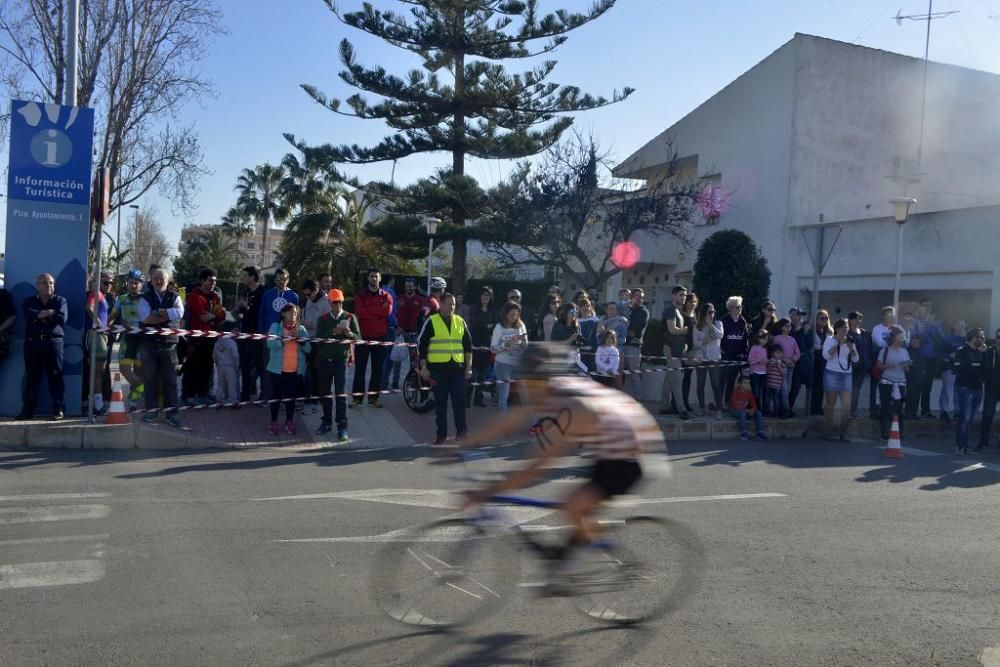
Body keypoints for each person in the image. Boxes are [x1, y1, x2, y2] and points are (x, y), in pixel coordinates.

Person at [454, 343, 657, 578]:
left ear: (547, 380)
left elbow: (536, 468)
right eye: (526, 383)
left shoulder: (572, 407)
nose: (528, 390)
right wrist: (462, 443)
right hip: (608, 444)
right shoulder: (550, 390)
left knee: (573, 505)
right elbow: (508, 422)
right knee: (576, 507)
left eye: (533, 384)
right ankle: (575, 552)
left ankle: (582, 564)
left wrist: (487, 491)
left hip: (630, 454)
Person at [417, 292, 473, 444]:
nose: (452, 307)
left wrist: (469, 367)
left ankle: (462, 434)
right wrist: (424, 367)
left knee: (459, 403)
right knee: (440, 405)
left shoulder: (460, 322)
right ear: (441, 304)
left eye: (454, 304)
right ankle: (441, 435)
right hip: (438, 371)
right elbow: (421, 346)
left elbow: (468, 346)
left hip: (458, 370)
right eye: (449, 304)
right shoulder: (431, 321)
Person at [17, 273, 68, 420]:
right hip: (33, 344)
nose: (49, 286)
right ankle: (28, 411)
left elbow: (61, 318)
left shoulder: (60, 301)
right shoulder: (29, 301)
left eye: (51, 283)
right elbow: (29, 315)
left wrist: (40, 316)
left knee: (56, 376)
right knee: (32, 377)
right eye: (45, 283)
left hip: (54, 343)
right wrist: (49, 313)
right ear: (37, 285)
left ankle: (58, 409)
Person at [137, 268, 184, 427]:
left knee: (170, 381)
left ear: (167, 279)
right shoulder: (145, 297)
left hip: (169, 344)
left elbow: (180, 313)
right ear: (151, 280)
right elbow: (145, 319)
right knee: (149, 380)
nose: (159, 281)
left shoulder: (175, 297)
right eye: (155, 278)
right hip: (148, 344)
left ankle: (172, 414)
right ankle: (151, 412)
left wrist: (157, 313)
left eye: (161, 278)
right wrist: (166, 316)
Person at [316, 288, 361, 440]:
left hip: (340, 361)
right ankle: (326, 422)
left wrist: (349, 334)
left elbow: (359, 338)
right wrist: (333, 332)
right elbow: (318, 339)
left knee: (340, 394)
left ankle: (342, 426)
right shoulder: (322, 319)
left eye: (340, 302)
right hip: (324, 360)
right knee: (325, 393)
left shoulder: (350, 317)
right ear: (329, 302)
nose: (338, 305)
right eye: (335, 302)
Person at [266, 303, 311, 435]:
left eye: (295, 313)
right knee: (276, 397)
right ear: (283, 314)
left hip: (295, 370)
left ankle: (289, 422)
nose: (293, 316)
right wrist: (284, 340)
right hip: (277, 370)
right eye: (290, 313)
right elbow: (270, 344)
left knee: (291, 398)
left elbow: (308, 349)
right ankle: (273, 422)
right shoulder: (275, 327)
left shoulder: (301, 329)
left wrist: (300, 340)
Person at [352, 267, 394, 408]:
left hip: (380, 337)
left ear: (380, 278)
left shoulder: (386, 296)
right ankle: (357, 399)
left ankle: (373, 398)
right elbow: (360, 312)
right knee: (360, 370)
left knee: (378, 370)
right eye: (371, 276)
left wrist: (369, 310)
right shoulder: (361, 296)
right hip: (363, 337)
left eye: (376, 276)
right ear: (368, 278)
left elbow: (387, 311)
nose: (374, 279)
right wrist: (377, 312)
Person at [183, 267, 225, 406]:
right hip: (196, 340)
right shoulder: (194, 296)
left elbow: (222, 315)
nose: (213, 283)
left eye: (214, 281)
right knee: (192, 367)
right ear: (202, 280)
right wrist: (215, 316)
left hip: (211, 338)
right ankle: (188, 395)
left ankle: (203, 394)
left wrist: (213, 316)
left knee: (207, 368)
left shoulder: (215, 296)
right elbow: (203, 317)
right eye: (209, 280)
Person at [110, 270, 146, 404]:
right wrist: (105, 326)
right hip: (127, 339)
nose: (133, 285)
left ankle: (135, 396)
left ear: (141, 285)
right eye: (131, 282)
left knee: (139, 371)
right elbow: (113, 315)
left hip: (142, 339)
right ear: (127, 283)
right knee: (123, 368)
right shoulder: (122, 298)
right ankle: (143, 389)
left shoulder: (145, 299)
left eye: (136, 283)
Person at [822, 318, 860, 442]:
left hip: (846, 374)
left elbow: (855, 360)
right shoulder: (829, 339)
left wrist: (851, 348)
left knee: (846, 405)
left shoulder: (850, 341)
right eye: (843, 327)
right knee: (831, 403)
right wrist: (837, 342)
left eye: (847, 328)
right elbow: (826, 356)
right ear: (837, 328)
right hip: (831, 373)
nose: (846, 329)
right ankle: (829, 431)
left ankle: (844, 432)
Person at [234, 266, 268, 402]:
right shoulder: (245, 292)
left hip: (258, 335)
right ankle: (245, 393)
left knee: (260, 365)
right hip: (244, 334)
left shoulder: (263, 292)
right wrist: (237, 316)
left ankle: (265, 393)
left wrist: (246, 307)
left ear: (253, 277)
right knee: (245, 364)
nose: (243, 278)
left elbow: (259, 313)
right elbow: (240, 313)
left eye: (245, 276)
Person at [953, 328, 986, 455]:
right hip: (965, 388)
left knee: (971, 419)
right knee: (964, 418)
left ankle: (965, 445)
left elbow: (984, 370)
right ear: (974, 338)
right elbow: (958, 370)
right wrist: (975, 368)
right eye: (981, 337)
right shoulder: (962, 351)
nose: (983, 339)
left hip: (978, 389)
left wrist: (983, 355)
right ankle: (960, 447)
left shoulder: (981, 352)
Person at [491, 299, 528, 412]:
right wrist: (506, 345)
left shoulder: (521, 325)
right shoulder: (499, 327)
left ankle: (534, 424)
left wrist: (523, 342)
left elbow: (526, 347)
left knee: (525, 394)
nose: (514, 317)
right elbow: (493, 349)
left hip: (517, 363)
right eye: (511, 314)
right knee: (504, 394)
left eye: (516, 314)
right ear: (505, 314)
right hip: (503, 364)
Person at [659, 285, 690, 419]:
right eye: (680, 295)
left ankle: (665, 406)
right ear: (673, 295)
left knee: (669, 380)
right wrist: (684, 330)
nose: (683, 297)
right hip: (670, 349)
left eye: (684, 295)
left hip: (678, 350)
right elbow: (672, 329)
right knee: (677, 380)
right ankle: (682, 410)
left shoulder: (679, 311)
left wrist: (685, 345)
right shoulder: (669, 310)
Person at [876, 326, 910, 442]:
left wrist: (906, 366)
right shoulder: (885, 350)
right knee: (885, 407)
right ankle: (884, 433)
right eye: (899, 337)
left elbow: (907, 369)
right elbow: (878, 365)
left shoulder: (905, 351)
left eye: (902, 337)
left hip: (900, 382)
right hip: (887, 381)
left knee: (899, 408)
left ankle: (900, 433)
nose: (901, 339)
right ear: (894, 337)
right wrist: (888, 366)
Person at [84, 273, 112, 415]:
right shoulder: (96, 293)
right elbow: (89, 308)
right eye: (106, 283)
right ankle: (98, 405)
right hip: (95, 335)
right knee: (97, 372)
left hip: (99, 334)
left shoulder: (101, 294)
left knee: (98, 371)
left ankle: (95, 403)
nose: (109, 286)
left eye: (111, 283)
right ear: (97, 282)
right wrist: (100, 327)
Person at [911, 299, 943, 419]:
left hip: (932, 357)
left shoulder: (935, 321)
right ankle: (912, 409)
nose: (927, 308)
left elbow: (939, 337)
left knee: (927, 385)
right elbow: (915, 338)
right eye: (925, 306)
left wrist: (933, 325)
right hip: (919, 357)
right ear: (920, 307)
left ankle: (925, 410)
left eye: (929, 306)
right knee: (916, 384)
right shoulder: (915, 321)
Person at [393, 277, 426, 389]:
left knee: (414, 361)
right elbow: (393, 315)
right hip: (400, 334)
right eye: (406, 286)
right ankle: (394, 383)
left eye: (410, 286)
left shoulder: (421, 300)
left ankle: (413, 381)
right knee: (397, 360)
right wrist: (397, 327)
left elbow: (424, 317)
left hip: (414, 335)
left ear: (415, 287)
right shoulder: (398, 299)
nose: (408, 288)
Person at [693, 302, 724, 419]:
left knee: (715, 383)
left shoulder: (718, 323)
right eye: (709, 312)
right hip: (701, 358)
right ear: (703, 313)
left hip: (715, 358)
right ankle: (702, 408)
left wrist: (711, 325)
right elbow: (696, 343)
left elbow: (720, 335)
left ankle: (719, 409)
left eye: (712, 312)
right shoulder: (697, 326)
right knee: (700, 384)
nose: (711, 314)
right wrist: (706, 340)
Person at [468, 285, 497, 407]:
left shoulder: (493, 311)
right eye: (483, 295)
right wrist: (486, 327)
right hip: (475, 344)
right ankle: (466, 398)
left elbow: (495, 326)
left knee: (482, 375)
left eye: (488, 295)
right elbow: (474, 325)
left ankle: (478, 399)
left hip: (487, 345)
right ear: (479, 296)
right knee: (472, 374)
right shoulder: (473, 309)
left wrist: (485, 327)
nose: (485, 297)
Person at [721, 296, 750, 405]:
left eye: (741, 306)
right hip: (726, 355)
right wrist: (722, 350)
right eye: (738, 306)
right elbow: (721, 337)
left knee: (733, 380)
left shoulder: (743, 321)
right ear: (731, 308)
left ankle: (729, 402)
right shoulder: (725, 319)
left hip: (738, 356)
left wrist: (744, 352)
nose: (740, 308)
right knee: (723, 380)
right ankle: (721, 404)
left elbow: (745, 338)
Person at [846, 311, 874, 420]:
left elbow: (868, 348)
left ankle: (853, 410)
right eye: (855, 319)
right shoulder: (847, 333)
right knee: (853, 388)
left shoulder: (864, 333)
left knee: (857, 388)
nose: (858, 321)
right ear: (850, 320)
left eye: (859, 319)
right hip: (852, 365)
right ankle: (850, 411)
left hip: (863, 365)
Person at [623, 289, 649, 400]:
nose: (639, 299)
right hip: (620, 344)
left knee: (634, 374)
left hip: (633, 346)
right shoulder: (626, 309)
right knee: (620, 373)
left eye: (641, 297)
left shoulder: (643, 311)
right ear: (631, 297)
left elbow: (633, 329)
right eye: (637, 296)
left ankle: (638, 399)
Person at [937, 320, 966, 423]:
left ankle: (957, 411)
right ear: (954, 326)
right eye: (959, 325)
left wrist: (964, 337)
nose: (961, 327)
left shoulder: (966, 340)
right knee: (947, 389)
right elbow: (938, 352)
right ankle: (944, 411)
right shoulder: (947, 339)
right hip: (948, 367)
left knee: (959, 390)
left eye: (963, 325)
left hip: (962, 369)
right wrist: (949, 356)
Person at [772, 318, 801, 419]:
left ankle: (783, 410)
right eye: (786, 326)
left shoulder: (792, 339)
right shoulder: (776, 338)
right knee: (781, 389)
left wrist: (792, 360)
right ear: (781, 327)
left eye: (789, 326)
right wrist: (784, 360)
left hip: (790, 367)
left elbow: (797, 353)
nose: (788, 328)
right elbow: (774, 351)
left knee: (785, 389)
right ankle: (784, 410)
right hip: (779, 366)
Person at [977, 328, 1000, 452]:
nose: (999, 340)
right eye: (998, 337)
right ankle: (983, 443)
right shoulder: (989, 352)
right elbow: (983, 367)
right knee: (987, 416)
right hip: (991, 389)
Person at [787, 307, 812, 417]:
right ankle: (781, 408)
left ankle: (788, 408)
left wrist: (806, 332)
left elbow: (809, 345)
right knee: (783, 386)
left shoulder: (805, 329)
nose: (799, 317)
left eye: (801, 314)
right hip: (787, 361)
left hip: (801, 362)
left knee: (796, 386)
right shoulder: (787, 328)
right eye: (797, 314)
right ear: (791, 315)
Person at [551, 302, 586, 373]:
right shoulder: (558, 325)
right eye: (572, 312)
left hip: (574, 358)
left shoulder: (577, 326)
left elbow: (578, 344)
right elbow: (554, 344)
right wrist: (570, 340)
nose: (574, 314)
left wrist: (579, 342)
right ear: (566, 312)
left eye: (576, 311)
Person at [730, 372, 766, 441]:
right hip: (735, 411)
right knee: (742, 414)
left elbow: (754, 405)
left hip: (745, 410)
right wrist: (746, 410)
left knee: (758, 413)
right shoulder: (735, 393)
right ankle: (744, 433)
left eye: (748, 383)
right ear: (740, 384)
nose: (747, 385)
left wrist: (752, 410)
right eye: (745, 383)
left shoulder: (749, 393)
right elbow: (736, 406)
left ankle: (760, 432)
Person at [213, 321, 241, 408]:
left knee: (221, 384)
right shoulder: (232, 343)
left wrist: (217, 363)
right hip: (230, 366)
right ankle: (233, 402)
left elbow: (214, 355)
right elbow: (235, 356)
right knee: (232, 384)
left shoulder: (217, 342)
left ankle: (219, 400)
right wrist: (237, 366)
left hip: (221, 365)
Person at [810, 310, 833, 416]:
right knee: (816, 386)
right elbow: (816, 346)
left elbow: (830, 346)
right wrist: (825, 345)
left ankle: (819, 408)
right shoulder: (813, 330)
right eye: (822, 318)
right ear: (816, 319)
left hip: (826, 362)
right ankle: (813, 408)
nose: (824, 320)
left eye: (826, 318)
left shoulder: (829, 331)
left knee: (822, 387)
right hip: (816, 361)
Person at [379, 273, 399, 390]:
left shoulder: (379, 291)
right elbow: (392, 312)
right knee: (389, 357)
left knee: (380, 357)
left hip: (379, 328)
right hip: (390, 328)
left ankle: (377, 382)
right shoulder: (391, 292)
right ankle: (384, 383)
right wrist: (396, 326)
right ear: (391, 280)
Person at [764, 344, 787, 418]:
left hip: (777, 386)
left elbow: (783, 374)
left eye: (780, 353)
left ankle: (776, 413)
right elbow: (766, 372)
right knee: (767, 399)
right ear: (772, 353)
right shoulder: (769, 362)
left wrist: (778, 365)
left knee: (776, 400)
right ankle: (767, 411)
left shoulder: (782, 364)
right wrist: (771, 365)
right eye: (777, 352)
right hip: (768, 384)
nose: (779, 354)